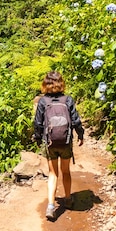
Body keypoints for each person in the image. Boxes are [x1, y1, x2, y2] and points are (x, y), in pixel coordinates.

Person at [33, 71, 84, 221]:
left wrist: (37, 138)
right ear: (61, 83)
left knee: (53, 173)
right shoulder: (68, 100)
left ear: (45, 84)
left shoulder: (43, 101)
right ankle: (68, 199)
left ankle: (50, 205)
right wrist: (80, 135)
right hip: (66, 142)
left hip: (50, 142)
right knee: (66, 171)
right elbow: (75, 121)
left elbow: (38, 123)